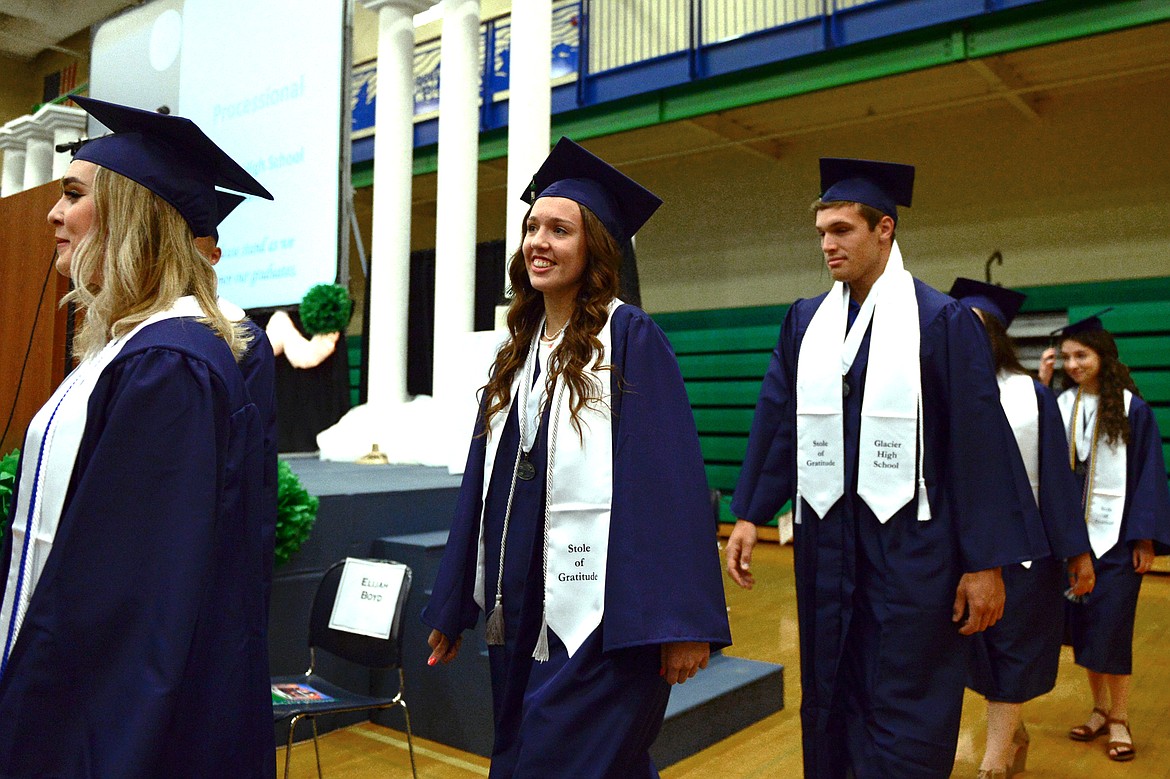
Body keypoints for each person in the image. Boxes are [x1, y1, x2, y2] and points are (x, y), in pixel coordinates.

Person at [422, 137, 731, 778]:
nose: (538, 241)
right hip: (522, 606)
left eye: (559, 229)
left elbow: (670, 483)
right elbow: (482, 485)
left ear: (595, 245)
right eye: (532, 227)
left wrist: (683, 622)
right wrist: (455, 602)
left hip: (604, 613)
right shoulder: (516, 354)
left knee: (560, 760)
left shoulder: (630, 340)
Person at [725, 158, 1044, 778]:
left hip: (913, 544)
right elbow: (779, 417)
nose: (827, 244)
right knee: (831, 686)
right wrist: (749, 514)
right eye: (821, 232)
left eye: (842, 229)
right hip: (827, 539)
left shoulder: (940, 321)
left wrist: (985, 563)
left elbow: (978, 443)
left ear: (885, 230)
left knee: (904, 690)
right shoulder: (806, 321)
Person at [0, 96, 275, 777]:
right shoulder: (130, 351)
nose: (53, 214)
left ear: (132, 214)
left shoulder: (169, 366)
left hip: (107, 730)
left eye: (72, 195)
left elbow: (131, 607)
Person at [949, 279, 1095, 779]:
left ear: (995, 336)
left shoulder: (1031, 395)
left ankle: (993, 759)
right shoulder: (936, 392)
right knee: (972, 652)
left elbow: (1057, 480)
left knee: (1012, 651)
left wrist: (1077, 552)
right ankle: (1011, 733)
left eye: (975, 327)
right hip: (957, 552)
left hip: (1026, 551)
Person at [1054, 315, 1170, 763]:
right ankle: (1100, 709)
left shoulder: (1132, 409)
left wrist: (1144, 540)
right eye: (1067, 357)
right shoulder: (1061, 405)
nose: (1074, 364)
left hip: (1117, 541)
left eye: (1081, 355)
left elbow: (1149, 478)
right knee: (1084, 628)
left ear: (1103, 356)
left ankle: (1119, 716)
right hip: (1073, 542)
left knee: (1112, 628)